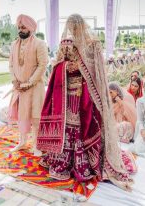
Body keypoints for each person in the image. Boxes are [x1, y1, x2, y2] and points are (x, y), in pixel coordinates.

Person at [37, 14, 135, 190]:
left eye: (75, 26)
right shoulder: (66, 43)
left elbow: (98, 72)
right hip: (66, 95)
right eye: (70, 26)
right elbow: (57, 65)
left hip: (85, 97)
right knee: (67, 127)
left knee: (82, 127)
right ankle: (64, 162)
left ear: (81, 26)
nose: (72, 30)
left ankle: (83, 164)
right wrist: (66, 67)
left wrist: (81, 67)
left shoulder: (92, 45)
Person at [8, 14, 48, 156]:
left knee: (35, 117)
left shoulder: (40, 44)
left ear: (30, 28)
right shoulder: (13, 45)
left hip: (34, 88)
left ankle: (36, 146)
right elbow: (11, 65)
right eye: (19, 27)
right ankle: (22, 141)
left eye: (23, 27)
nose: (21, 30)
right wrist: (15, 81)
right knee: (21, 116)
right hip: (19, 89)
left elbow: (42, 65)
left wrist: (29, 82)